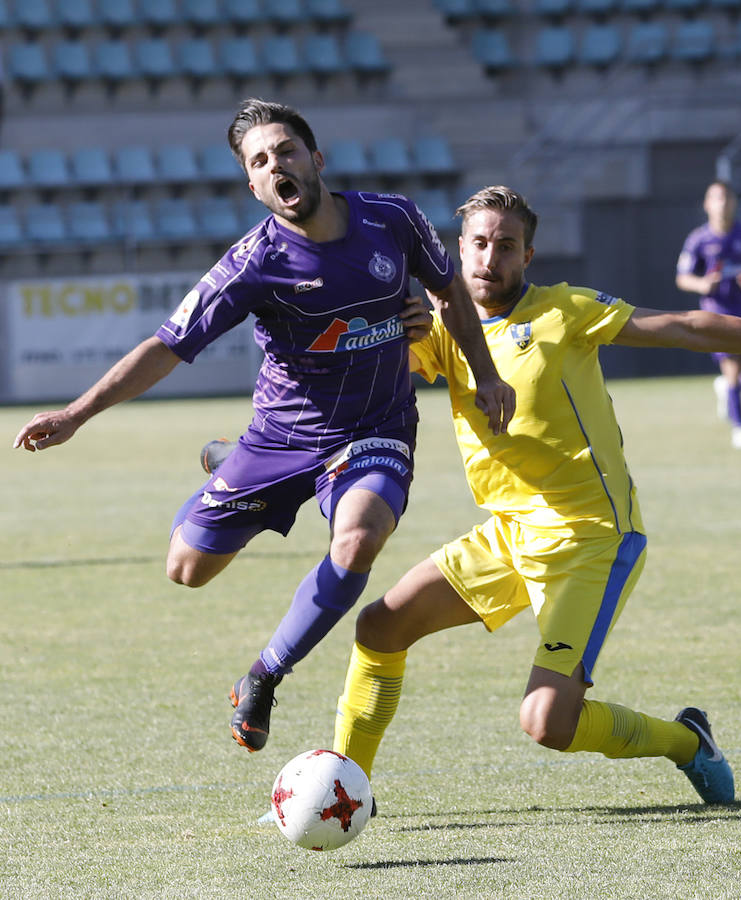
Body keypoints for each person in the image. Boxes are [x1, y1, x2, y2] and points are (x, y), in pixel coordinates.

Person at [331, 186, 741, 806]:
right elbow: (364, 381)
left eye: (506, 246)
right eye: (478, 243)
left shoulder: (564, 311)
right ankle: (339, 787)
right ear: (458, 249)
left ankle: (687, 742)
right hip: (510, 532)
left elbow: (685, 326)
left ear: (528, 256)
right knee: (380, 626)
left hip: (591, 538)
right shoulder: (444, 328)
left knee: (546, 724)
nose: (489, 258)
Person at [12, 99, 514, 754]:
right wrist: (77, 414)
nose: (275, 164)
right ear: (252, 185)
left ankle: (264, 674)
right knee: (186, 571)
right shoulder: (253, 263)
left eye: (284, 150)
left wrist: (486, 376)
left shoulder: (392, 220)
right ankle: (229, 462)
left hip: (374, 429)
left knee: (358, 541)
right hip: (282, 439)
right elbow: (167, 345)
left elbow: (449, 290)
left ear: (316, 160)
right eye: (259, 161)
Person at [676, 180, 741, 449]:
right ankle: (740, 429)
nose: (722, 203)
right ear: (707, 204)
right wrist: (702, 284)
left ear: (734, 202)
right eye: (716, 198)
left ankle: (728, 391)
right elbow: (682, 278)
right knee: (732, 368)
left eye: (727, 198)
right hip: (717, 312)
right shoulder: (699, 239)